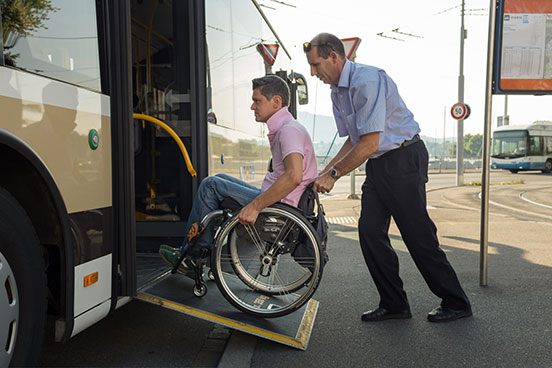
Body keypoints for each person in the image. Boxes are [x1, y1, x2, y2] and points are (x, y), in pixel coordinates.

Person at [303, 33, 471, 323]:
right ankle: (394, 303)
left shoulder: (366, 80)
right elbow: (353, 141)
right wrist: (323, 171)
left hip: (403, 158)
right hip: (379, 164)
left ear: (334, 56)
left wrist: (334, 174)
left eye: (316, 65)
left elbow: (368, 144)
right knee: (369, 232)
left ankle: (456, 301)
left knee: (417, 235)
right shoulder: (337, 92)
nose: (313, 73)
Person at [159, 75, 318, 275]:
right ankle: (198, 250)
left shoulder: (289, 131)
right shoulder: (287, 128)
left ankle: (193, 257)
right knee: (221, 179)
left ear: (276, 102)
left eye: (257, 100)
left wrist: (255, 206)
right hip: (284, 201)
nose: (252, 107)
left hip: (281, 207)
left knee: (210, 185)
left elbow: (294, 176)